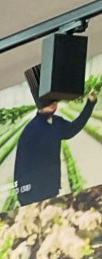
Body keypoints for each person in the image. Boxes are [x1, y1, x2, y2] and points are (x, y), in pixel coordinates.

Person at [14, 74, 96, 205]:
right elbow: (21, 166)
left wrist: (90, 103)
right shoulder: (29, 131)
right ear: (39, 105)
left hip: (51, 187)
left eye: (54, 101)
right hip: (34, 194)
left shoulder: (57, 122)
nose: (54, 104)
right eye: (49, 102)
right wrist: (23, 197)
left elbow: (73, 128)